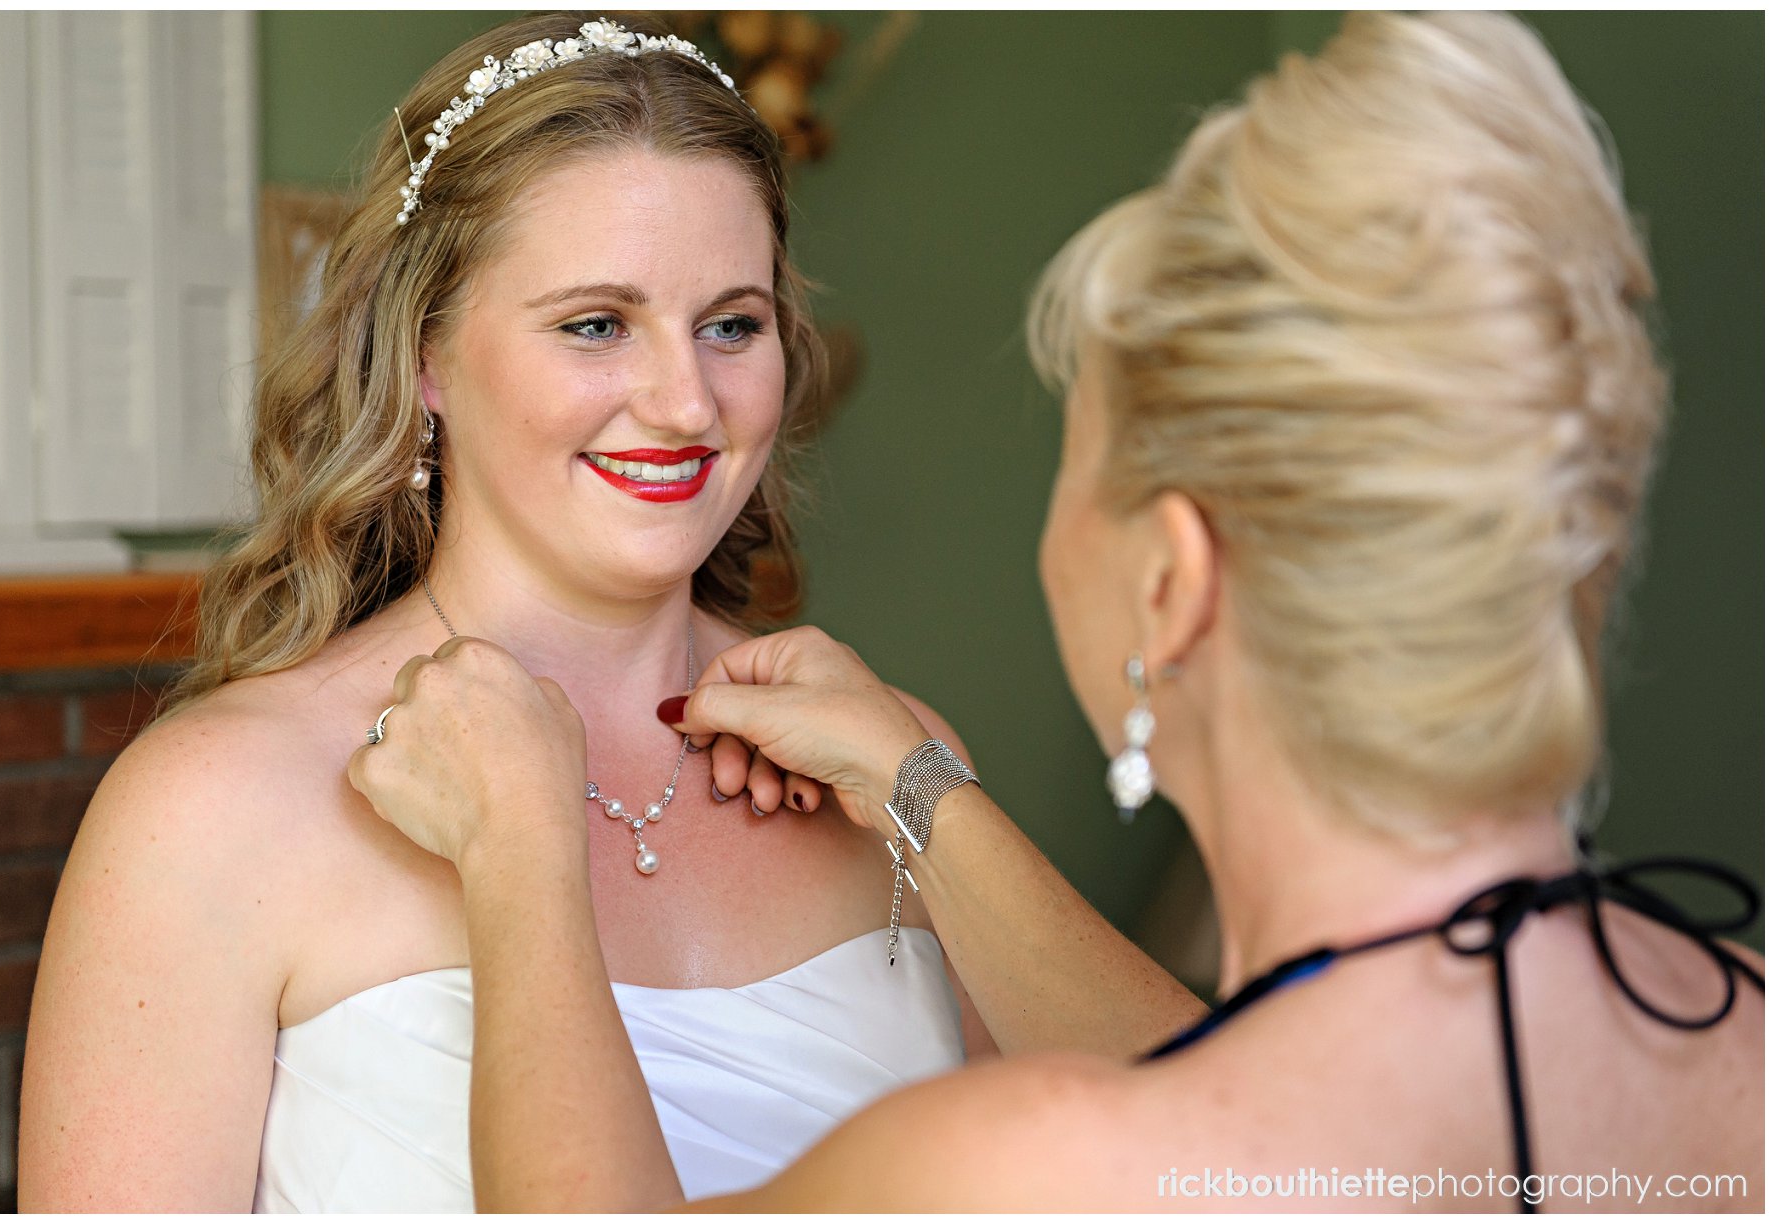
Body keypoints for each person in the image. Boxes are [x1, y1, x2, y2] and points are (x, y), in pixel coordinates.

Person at [352, 11, 1764, 1213]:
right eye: (596, 322)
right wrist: (918, 787)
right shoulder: (1734, 1025)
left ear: (1172, 577)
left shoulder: (1024, 1163)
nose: (683, 394)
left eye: (1070, 462)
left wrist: (525, 862)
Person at [16, 13, 1206, 1212]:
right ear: (425, 355)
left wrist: (918, 776)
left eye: (730, 325)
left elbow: (1202, 1157)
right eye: (596, 324)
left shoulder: (892, 770)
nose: (687, 401)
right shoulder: (211, 811)